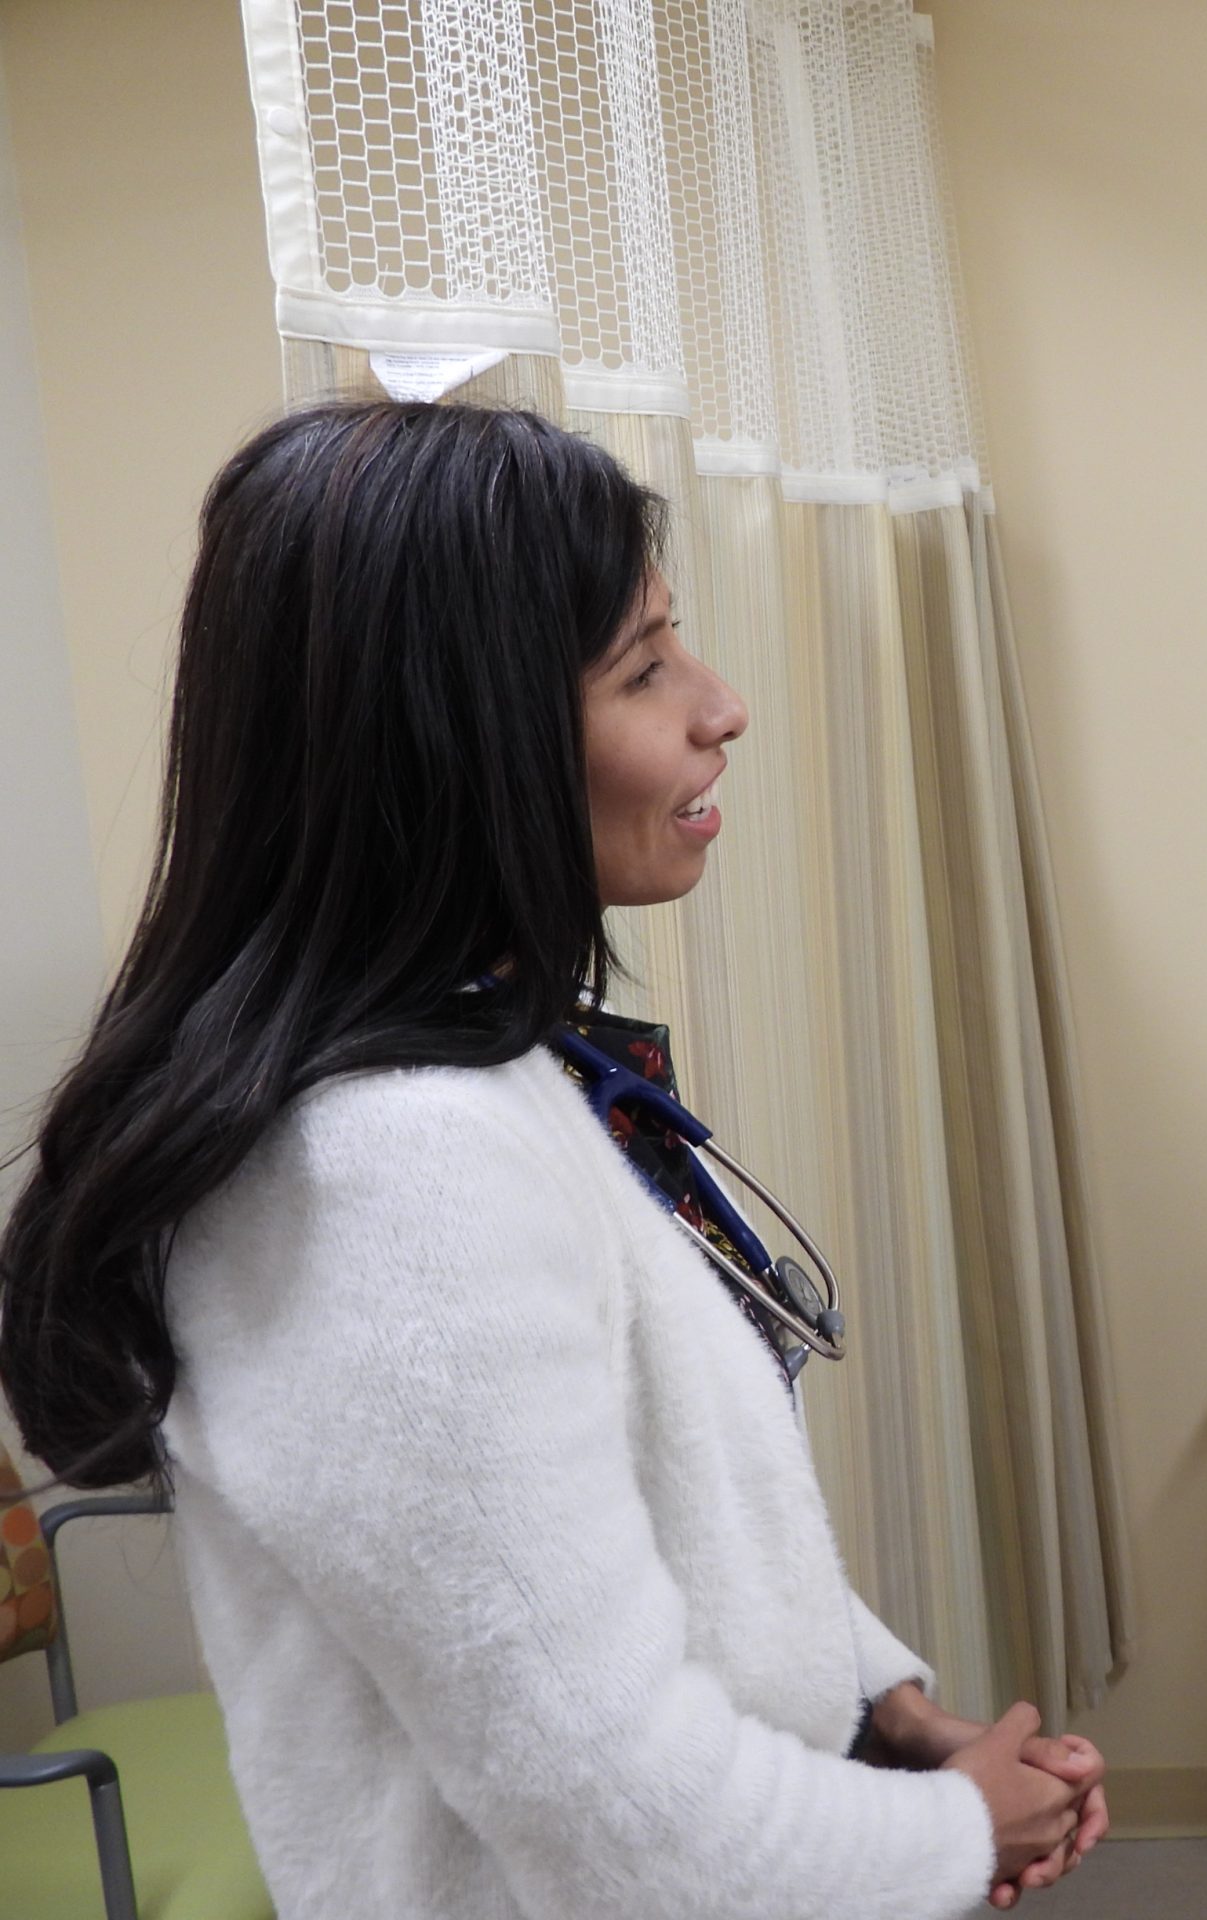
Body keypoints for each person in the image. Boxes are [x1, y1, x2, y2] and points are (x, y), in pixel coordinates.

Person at [0, 402, 1106, 1919]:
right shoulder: (391, 1175)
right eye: (646, 669)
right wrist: (957, 1833)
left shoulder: (485, 1070)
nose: (721, 707)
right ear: (458, 735)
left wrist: (882, 1709)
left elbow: (650, 1508)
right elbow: (631, 1836)